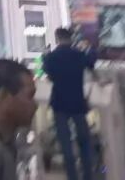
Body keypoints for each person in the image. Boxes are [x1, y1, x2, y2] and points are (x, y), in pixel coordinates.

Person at [42, 28, 97, 180]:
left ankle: (72, 176)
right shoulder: (79, 55)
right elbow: (91, 62)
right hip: (77, 103)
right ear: (71, 38)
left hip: (59, 103)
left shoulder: (51, 57)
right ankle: (87, 175)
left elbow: (48, 73)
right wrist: (90, 48)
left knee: (65, 144)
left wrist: (44, 55)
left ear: (57, 39)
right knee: (84, 142)